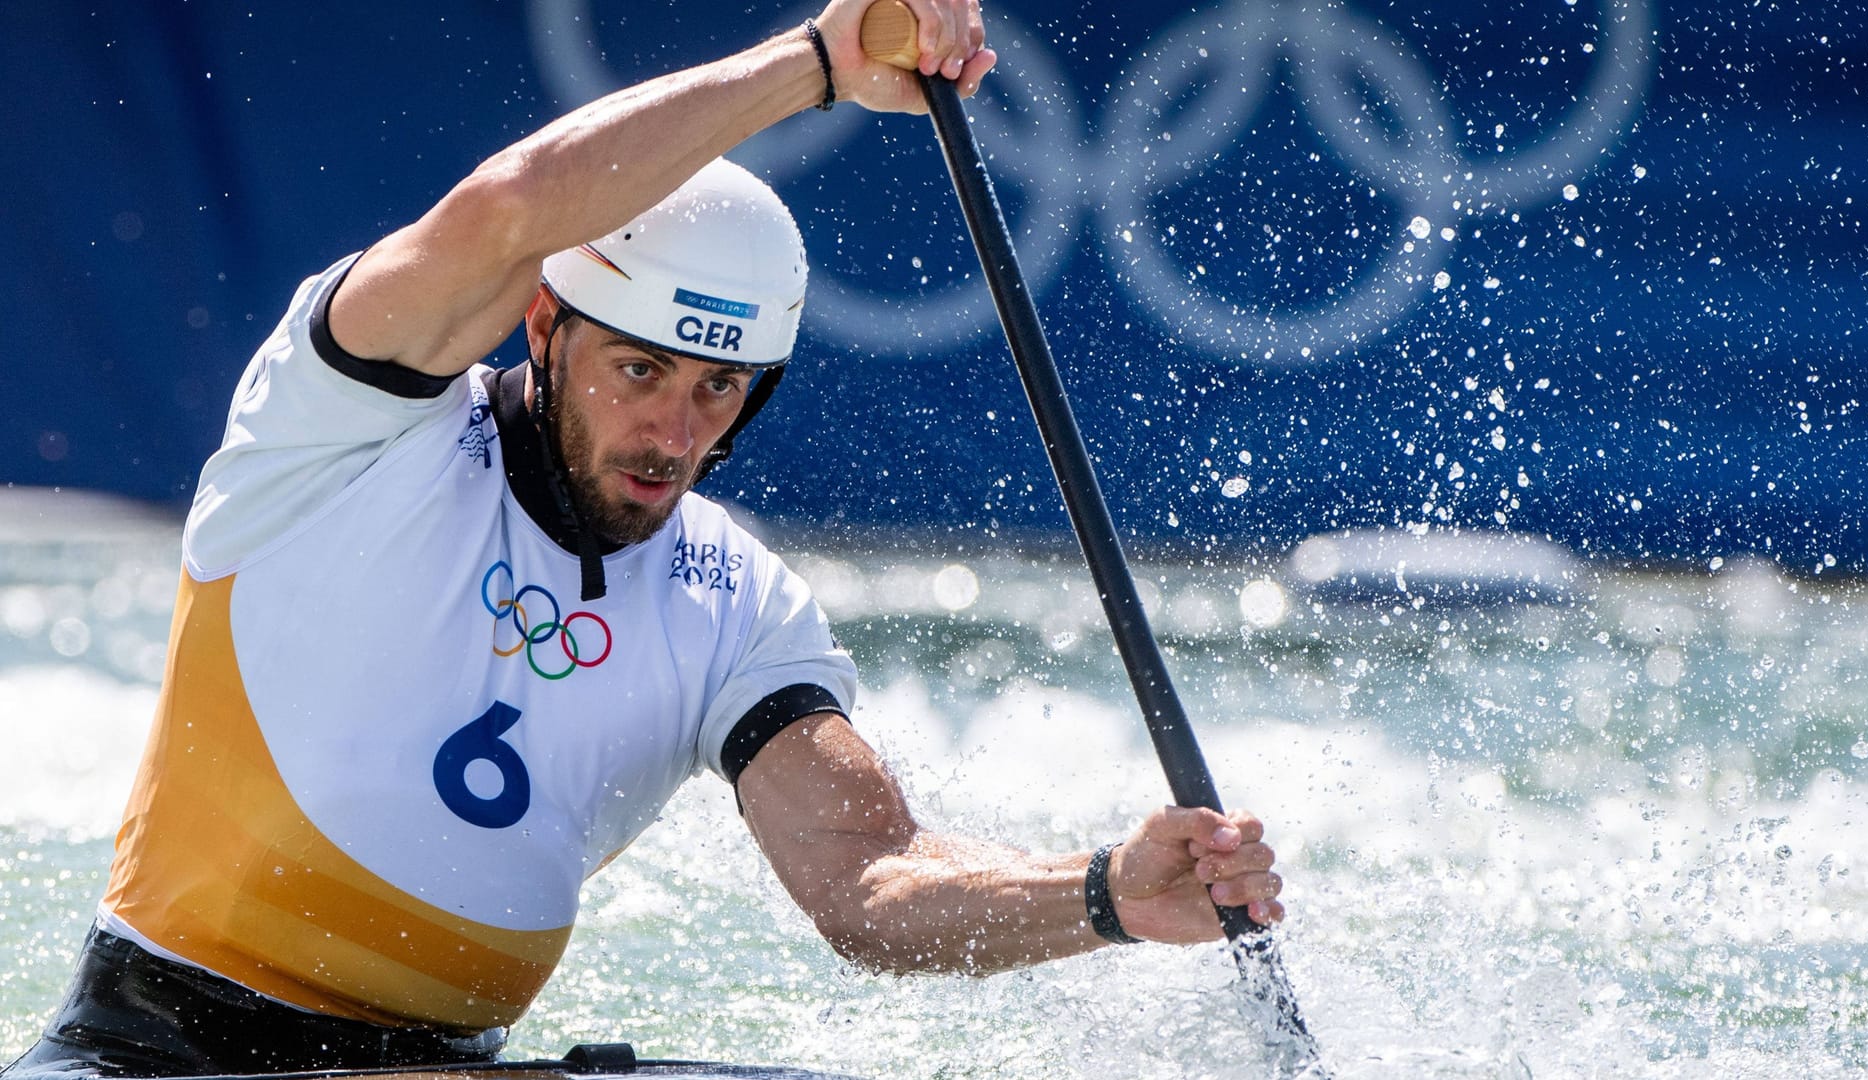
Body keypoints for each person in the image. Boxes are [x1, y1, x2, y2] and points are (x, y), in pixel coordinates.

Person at [4, 0, 1285, 1074]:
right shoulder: (346, 421)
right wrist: (822, 65)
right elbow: (506, 211)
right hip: (152, 1052)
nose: (675, 430)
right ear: (545, 330)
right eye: (641, 371)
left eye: (718, 391)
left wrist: (1106, 892)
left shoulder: (737, 601)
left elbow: (869, 881)